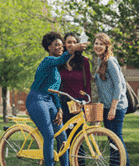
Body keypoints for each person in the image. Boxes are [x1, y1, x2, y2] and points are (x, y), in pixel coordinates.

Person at [26, 31, 89, 166]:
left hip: (49, 101)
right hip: (36, 100)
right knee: (49, 136)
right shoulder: (47, 61)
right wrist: (75, 48)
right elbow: (62, 59)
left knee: (62, 136)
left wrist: (59, 108)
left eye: (62, 45)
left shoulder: (56, 72)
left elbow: (55, 93)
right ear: (49, 47)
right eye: (57, 45)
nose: (61, 47)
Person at [93, 33, 130, 166]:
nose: (98, 46)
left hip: (116, 106)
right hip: (107, 106)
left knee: (116, 140)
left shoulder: (110, 61)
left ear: (107, 46)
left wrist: (113, 108)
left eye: (101, 44)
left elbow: (119, 85)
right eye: (96, 43)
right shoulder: (100, 60)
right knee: (112, 141)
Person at [58, 32, 92, 166]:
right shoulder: (59, 60)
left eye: (74, 42)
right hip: (62, 103)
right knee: (63, 138)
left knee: (78, 137)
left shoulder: (84, 61)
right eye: (68, 42)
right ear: (64, 44)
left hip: (77, 103)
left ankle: (80, 163)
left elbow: (87, 83)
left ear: (78, 44)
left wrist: (86, 100)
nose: (71, 44)